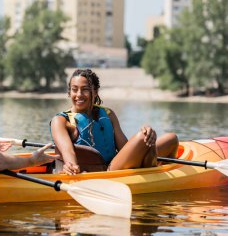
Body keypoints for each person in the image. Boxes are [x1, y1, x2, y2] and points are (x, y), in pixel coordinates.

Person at [50, 68, 179, 175]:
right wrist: (71, 166)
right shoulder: (61, 121)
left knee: (171, 139)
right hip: (105, 172)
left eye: (85, 89)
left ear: (95, 92)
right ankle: (153, 172)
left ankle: (163, 176)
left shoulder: (108, 114)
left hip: (116, 165)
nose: (79, 94)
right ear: (69, 92)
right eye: (74, 89)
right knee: (143, 137)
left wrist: (147, 135)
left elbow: (124, 148)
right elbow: (68, 151)